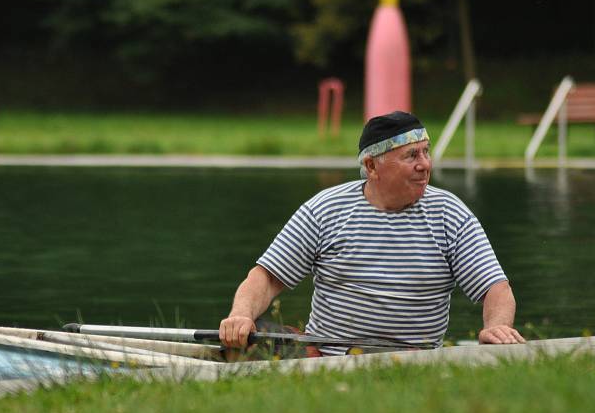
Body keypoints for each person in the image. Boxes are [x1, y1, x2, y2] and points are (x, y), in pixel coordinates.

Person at [219, 111, 525, 355]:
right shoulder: (325, 209)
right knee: (256, 335)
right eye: (411, 156)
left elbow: (495, 288)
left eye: (426, 152)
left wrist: (495, 327)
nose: (425, 165)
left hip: (414, 360)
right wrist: (241, 316)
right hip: (325, 357)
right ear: (372, 166)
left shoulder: (450, 213)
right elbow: (267, 277)